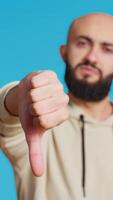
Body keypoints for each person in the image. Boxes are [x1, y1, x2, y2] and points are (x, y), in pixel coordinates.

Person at [0, 12, 113, 200]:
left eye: (108, 49)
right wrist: (20, 94)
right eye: (82, 43)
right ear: (64, 52)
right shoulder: (38, 120)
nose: (92, 57)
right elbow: (6, 116)